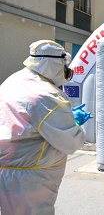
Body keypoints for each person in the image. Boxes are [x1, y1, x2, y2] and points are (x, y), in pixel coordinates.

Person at [0, 40, 92, 214]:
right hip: (31, 180)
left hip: (6, 171)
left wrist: (64, 116)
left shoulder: (12, 81)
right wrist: (75, 123)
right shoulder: (46, 95)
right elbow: (71, 142)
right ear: (54, 64)